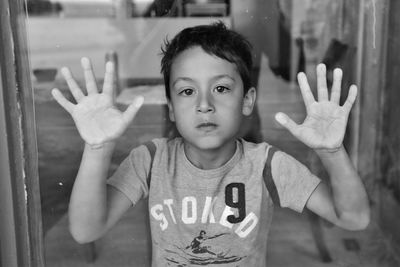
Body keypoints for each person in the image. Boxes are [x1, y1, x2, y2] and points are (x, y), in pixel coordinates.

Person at [51, 22, 370, 266]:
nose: (204, 104)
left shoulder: (268, 165)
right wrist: (96, 149)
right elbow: (85, 230)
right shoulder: (150, 161)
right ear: (171, 108)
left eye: (221, 88)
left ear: (248, 101)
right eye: (187, 91)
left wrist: (332, 152)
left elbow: (353, 218)